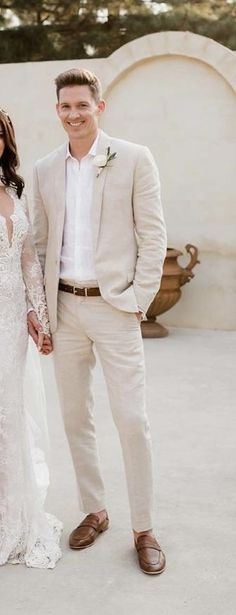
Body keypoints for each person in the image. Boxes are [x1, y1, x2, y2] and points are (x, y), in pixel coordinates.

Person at [30, 68, 167, 575]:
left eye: (82, 105)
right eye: (65, 106)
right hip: (64, 309)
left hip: (115, 307)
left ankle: (144, 526)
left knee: (131, 418)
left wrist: (137, 300)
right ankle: (95, 509)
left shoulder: (133, 157)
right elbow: (40, 245)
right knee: (74, 418)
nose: (73, 114)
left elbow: (153, 237)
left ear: (99, 107)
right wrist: (42, 312)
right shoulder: (45, 168)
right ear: (57, 110)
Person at [0, 109, 62, 568]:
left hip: (12, 323)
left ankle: (17, 515)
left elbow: (26, 261)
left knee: (11, 412)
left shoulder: (13, 189)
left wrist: (37, 316)